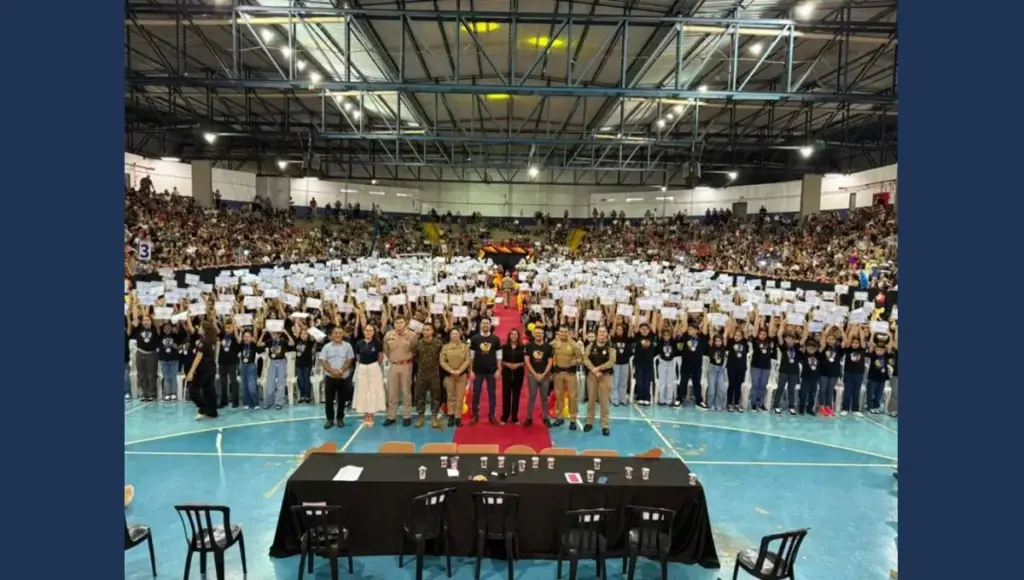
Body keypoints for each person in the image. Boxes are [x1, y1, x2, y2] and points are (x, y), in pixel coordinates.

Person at [383, 316, 417, 427]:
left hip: (406, 365)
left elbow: (414, 350)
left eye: (401, 322)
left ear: (405, 323)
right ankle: (391, 416)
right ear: (394, 324)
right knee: (392, 392)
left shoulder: (412, 335)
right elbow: (386, 350)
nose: (399, 324)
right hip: (393, 365)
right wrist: (393, 359)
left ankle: (407, 416)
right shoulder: (388, 335)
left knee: (406, 392)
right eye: (397, 322)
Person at [319, 326, 355, 429]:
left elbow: (349, 360)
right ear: (332, 335)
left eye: (340, 333)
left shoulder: (348, 346)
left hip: (343, 376)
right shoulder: (326, 347)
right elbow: (323, 361)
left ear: (343, 334)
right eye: (336, 333)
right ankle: (330, 419)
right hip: (330, 377)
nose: (338, 335)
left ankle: (340, 418)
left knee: (342, 399)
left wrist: (341, 371)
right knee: (329, 400)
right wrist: (331, 371)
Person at [583, 326, 616, 436]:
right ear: (597, 333)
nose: (601, 333)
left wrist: (599, 369)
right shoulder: (591, 345)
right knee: (591, 400)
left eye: (604, 331)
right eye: (600, 331)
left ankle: (605, 425)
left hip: (605, 376)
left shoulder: (611, 346)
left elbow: (612, 361)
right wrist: (593, 369)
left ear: (607, 333)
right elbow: (585, 358)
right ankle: (589, 422)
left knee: (604, 401)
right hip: (592, 375)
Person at [468, 318, 502, 425]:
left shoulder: (495, 339)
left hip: (491, 371)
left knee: (492, 393)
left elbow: (499, 355)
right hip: (477, 371)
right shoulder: (475, 338)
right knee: (476, 393)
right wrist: (470, 370)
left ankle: (491, 415)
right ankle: (475, 415)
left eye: (487, 323)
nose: (485, 325)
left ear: (490, 325)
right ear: (480, 325)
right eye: (483, 323)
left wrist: (499, 369)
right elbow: (471, 356)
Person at [184, 319, 219, 420]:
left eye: (200, 327)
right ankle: (213, 411)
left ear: (204, 329)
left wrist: (191, 371)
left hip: (204, 368)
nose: (198, 328)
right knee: (209, 390)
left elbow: (198, 357)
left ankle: (203, 408)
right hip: (211, 367)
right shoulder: (212, 340)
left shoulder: (203, 342)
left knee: (193, 390)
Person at [550, 324, 583, 429]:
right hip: (558, 374)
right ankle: (559, 417)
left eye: (565, 331)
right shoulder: (554, 344)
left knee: (572, 397)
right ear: (558, 332)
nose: (563, 333)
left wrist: (576, 361)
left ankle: (573, 420)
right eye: (561, 331)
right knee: (558, 396)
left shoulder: (574, 345)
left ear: (568, 333)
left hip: (570, 374)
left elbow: (581, 359)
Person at [412, 323, 444, 429]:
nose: (425, 331)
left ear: (432, 331)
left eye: (428, 329)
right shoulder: (418, 343)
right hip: (421, 374)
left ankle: (434, 416)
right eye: (424, 329)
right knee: (419, 396)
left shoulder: (438, 343)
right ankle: (420, 416)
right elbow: (415, 357)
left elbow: (442, 357)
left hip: (434, 374)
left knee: (436, 396)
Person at [353, 325, 386, 427]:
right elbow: (358, 356)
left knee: (372, 391)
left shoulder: (377, 343)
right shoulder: (359, 343)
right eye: (366, 330)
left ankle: (371, 414)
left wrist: (374, 366)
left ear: (373, 332)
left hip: (374, 367)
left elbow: (380, 356)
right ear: (364, 332)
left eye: (370, 330)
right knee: (362, 390)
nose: (368, 332)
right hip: (362, 368)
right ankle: (365, 414)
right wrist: (363, 365)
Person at [440, 328, 471, 427]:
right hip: (449, 375)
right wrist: (450, 370)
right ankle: (451, 416)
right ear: (450, 336)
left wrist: (460, 370)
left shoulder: (465, 347)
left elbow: (467, 360)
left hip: (461, 375)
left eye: (456, 333)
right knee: (450, 396)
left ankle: (458, 417)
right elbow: (442, 361)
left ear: (459, 335)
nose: (454, 335)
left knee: (460, 397)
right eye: (452, 334)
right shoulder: (445, 347)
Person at [523, 325, 553, 427]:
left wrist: (543, 374)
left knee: (544, 397)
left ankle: (546, 418)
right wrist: (535, 374)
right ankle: (529, 417)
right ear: (533, 334)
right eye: (536, 333)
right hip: (532, 376)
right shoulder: (529, 346)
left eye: (540, 333)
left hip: (545, 376)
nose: (538, 335)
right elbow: (527, 362)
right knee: (532, 396)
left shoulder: (548, 347)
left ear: (543, 334)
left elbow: (550, 362)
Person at [259, 324, 294, 410]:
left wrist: (286, 333)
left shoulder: (282, 341)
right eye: (271, 333)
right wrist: (263, 333)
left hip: (281, 362)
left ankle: (279, 402)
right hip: (272, 362)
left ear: (279, 334)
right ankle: (268, 402)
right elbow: (259, 344)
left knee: (280, 383)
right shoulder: (270, 341)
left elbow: (292, 343)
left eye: (274, 333)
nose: (272, 335)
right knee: (270, 382)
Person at [677, 318, 709, 409]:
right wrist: (685, 315)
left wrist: (705, 314)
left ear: (697, 330)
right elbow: (684, 324)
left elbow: (705, 328)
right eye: (689, 329)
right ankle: (679, 399)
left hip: (697, 366)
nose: (689, 330)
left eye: (691, 329)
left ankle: (699, 401)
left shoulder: (701, 338)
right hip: (686, 365)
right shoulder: (685, 337)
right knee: (683, 383)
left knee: (697, 384)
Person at [748, 318, 776, 411]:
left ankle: (761, 404)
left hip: (766, 367)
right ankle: (753, 404)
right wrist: (757, 315)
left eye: (764, 334)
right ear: (758, 334)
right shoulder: (755, 341)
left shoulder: (769, 341)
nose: (763, 336)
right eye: (761, 334)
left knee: (763, 386)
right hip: (755, 366)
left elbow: (771, 329)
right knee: (755, 385)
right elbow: (756, 328)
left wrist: (772, 316)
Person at [130, 314, 159, 402]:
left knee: (151, 375)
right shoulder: (138, 329)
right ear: (142, 322)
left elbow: (158, 326)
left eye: (148, 320)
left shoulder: (155, 329)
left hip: (151, 354)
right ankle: (144, 393)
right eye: (144, 320)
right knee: (141, 375)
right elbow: (133, 322)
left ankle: (151, 394)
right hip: (140, 354)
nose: (146, 322)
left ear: (151, 321)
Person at [840, 325, 867, 416]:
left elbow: (862, 339)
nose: (855, 344)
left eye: (857, 343)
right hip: (848, 373)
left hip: (859, 374)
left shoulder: (862, 349)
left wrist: (859, 327)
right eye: (853, 343)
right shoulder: (848, 349)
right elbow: (849, 337)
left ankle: (855, 409)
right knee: (847, 391)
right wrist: (853, 326)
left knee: (856, 391)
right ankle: (845, 408)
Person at [773, 326, 801, 415]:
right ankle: (776, 406)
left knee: (791, 390)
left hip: (794, 372)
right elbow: (779, 335)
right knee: (780, 388)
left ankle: (791, 407)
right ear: (785, 339)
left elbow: (804, 337)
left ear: (794, 339)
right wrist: (782, 323)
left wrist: (806, 325)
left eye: (791, 338)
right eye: (787, 338)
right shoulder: (783, 347)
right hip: (784, 371)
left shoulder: (796, 347)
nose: (789, 340)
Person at [500, 328, 525, 424]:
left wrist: (517, 365)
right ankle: (505, 416)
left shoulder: (522, 347)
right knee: (506, 396)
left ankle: (514, 417)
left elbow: (526, 361)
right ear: (509, 336)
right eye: (512, 334)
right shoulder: (504, 347)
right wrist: (507, 364)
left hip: (519, 374)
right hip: (506, 374)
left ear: (518, 336)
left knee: (516, 396)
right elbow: (500, 360)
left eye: (515, 334)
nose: (513, 336)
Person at [817, 326, 843, 417]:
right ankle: (821, 406)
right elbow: (823, 338)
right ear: (826, 339)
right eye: (829, 339)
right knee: (822, 389)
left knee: (830, 390)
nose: (831, 340)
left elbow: (845, 342)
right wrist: (829, 327)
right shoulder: (823, 347)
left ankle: (828, 406)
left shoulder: (838, 349)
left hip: (834, 373)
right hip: (823, 372)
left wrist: (842, 329)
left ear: (835, 340)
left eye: (833, 339)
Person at [725, 320, 750, 412]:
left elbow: (746, 330)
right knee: (731, 385)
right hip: (731, 367)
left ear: (742, 337)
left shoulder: (744, 343)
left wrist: (748, 318)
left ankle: (736, 403)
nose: (736, 337)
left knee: (738, 386)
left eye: (739, 335)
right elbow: (731, 331)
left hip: (741, 368)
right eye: (735, 335)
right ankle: (729, 403)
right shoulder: (731, 342)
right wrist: (731, 317)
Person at [217, 320, 241, 408]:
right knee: (223, 382)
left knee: (233, 382)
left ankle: (235, 401)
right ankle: (224, 401)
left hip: (232, 362)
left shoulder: (235, 336)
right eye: (226, 328)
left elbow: (239, 341)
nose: (227, 329)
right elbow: (216, 328)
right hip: (222, 362)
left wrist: (235, 328)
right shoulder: (222, 335)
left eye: (229, 327)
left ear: (233, 327)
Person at [156, 321, 182, 401]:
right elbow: (157, 327)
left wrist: (177, 347)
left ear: (171, 328)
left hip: (174, 359)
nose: (167, 329)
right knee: (166, 377)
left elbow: (180, 346)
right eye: (165, 328)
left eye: (169, 328)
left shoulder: (175, 336)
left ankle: (174, 393)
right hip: (163, 360)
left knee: (173, 377)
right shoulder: (160, 336)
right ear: (163, 329)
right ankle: (167, 393)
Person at [632, 323, 656, 406]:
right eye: (642, 329)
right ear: (639, 330)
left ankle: (647, 398)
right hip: (639, 364)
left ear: (649, 330)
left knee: (647, 382)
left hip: (648, 365)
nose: (645, 330)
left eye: (646, 329)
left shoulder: (651, 337)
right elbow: (635, 327)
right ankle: (640, 397)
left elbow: (654, 325)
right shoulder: (637, 337)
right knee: (640, 382)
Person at [293, 326, 317, 404]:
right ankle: (302, 395)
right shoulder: (297, 341)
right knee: (300, 380)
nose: (304, 335)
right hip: (298, 364)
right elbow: (297, 331)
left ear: (308, 335)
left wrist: (311, 329)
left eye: (305, 334)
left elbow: (315, 338)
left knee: (306, 379)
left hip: (307, 364)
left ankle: (308, 396)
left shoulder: (310, 342)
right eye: (302, 334)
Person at [655, 327, 678, 406]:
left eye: (668, 335)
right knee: (662, 383)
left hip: (671, 363)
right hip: (662, 363)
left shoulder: (673, 342)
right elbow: (657, 351)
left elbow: (675, 351)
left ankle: (669, 400)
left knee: (669, 383)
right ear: (662, 336)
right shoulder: (660, 342)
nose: (666, 337)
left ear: (670, 336)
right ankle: (661, 400)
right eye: (665, 335)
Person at [238, 329, 261, 409]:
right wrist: (240, 332)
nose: (246, 338)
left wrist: (255, 327)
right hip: (243, 366)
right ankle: (246, 402)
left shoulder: (253, 345)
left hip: (251, 366)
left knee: (252, 387)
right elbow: (238, 340)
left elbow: (256, 338)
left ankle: (255, 403)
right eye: (245, 336)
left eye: (248, 336)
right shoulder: (241, 345)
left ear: (251, 337)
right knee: (244, 386)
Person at [610, 324, 632, 406]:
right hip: (616, 363)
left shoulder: (626, 338)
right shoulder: (613, 338)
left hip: (625, 363)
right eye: (617, 329)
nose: (618, 331)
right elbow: (612, 330)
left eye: (620, 329)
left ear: (623, 331)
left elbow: (630, 331)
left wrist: (630, 323)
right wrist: (615, 319)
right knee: (615, 382)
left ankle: (622, 398)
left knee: (623, 382)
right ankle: (615, 399)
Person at [706, 334, 728, 411]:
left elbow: (725, 336)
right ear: (714, 342)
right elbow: (711, 356)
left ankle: (719, 405)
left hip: (721, 369)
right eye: (716, 341)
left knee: (720, 388)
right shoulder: (711, 348)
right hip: (712, 369)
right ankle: (710, 404)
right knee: (711, 389)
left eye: (719, 341)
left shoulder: (723, 348)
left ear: (722, 341)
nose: (718, 342)